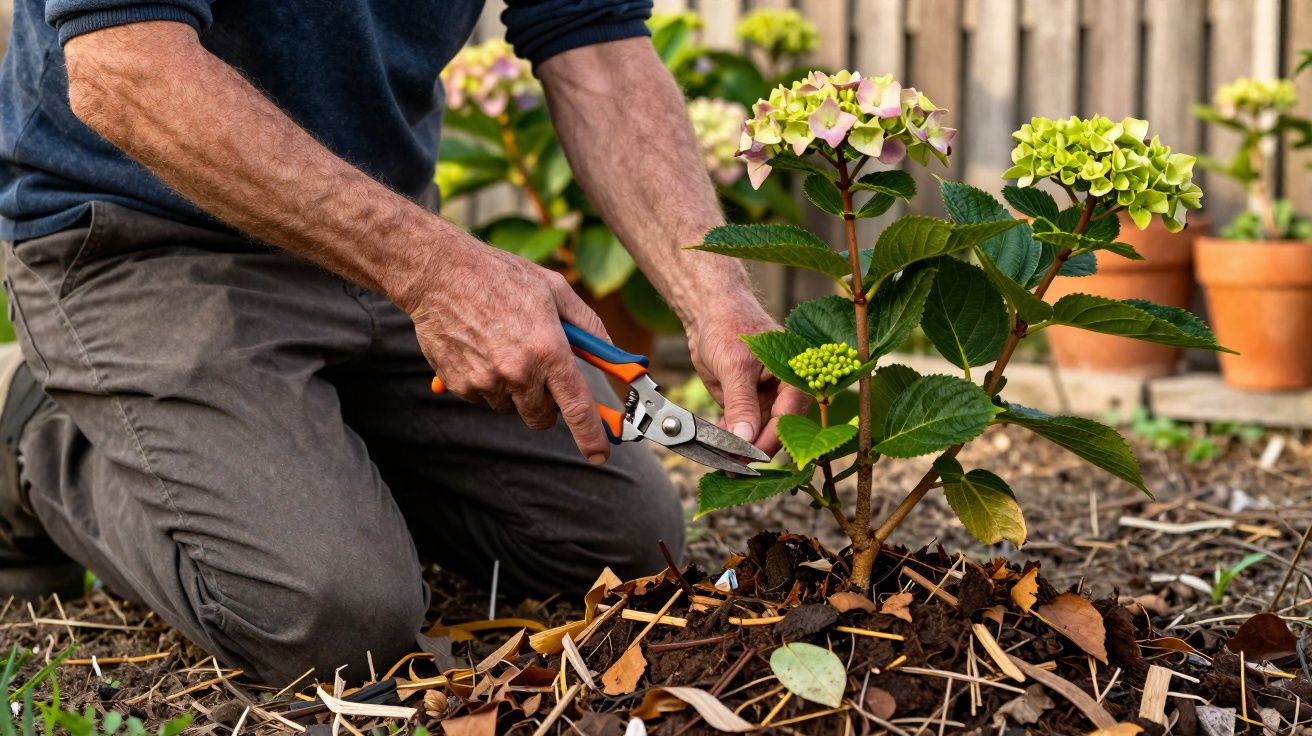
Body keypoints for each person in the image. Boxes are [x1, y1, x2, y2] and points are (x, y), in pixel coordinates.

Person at [0, 0, 806, 684]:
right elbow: (124, 70)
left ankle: (298, 443)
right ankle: (34, 432)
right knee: (331, 620)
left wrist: (716, 297)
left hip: (366, 233)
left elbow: (596, 45)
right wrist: (436, 274)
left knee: (620, 542)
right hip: (139, 234)